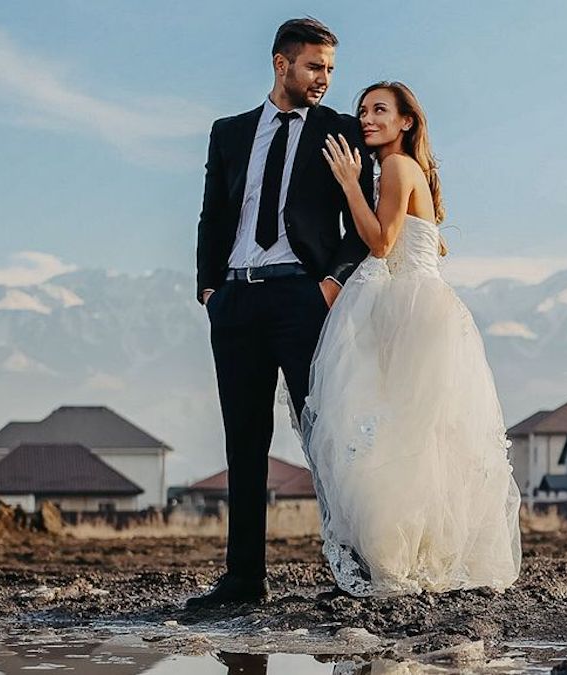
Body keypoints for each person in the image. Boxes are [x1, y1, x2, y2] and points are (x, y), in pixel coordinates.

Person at [301, 82, 522, 596]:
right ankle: (413, 560)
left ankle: (408, 562)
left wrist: (349, 183)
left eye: (380, 110)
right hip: (407, 306)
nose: (367, 118)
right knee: (413, 439)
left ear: (406, 122)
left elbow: (381, 244)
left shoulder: (397, 169)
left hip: (414, 309)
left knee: (407, 438)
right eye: (362, 111)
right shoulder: (397, 170)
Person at [189, 17, 373, 609]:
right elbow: (214, 214)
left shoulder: (340, 131)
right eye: (315, 66)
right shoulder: (229, 132)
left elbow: (363, 223)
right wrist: (209, 289)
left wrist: (329, 284)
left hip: (303, 299)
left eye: (330, 70)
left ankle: (353, 572)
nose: (324, 79)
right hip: (237, 300)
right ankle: (244, 579)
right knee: (244, 442)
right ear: (281, 63)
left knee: (326, 435)